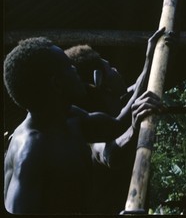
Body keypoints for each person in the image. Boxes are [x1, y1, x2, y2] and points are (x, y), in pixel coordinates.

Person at [3, 36, 162, 214]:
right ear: (57, 84)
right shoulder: (31, 151)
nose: (75, 70)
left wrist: (151, 61)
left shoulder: (70, 116)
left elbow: (115, 126)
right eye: (69, 67)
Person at [63, 28, 166, 214]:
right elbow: (109, 153)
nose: (116, 70)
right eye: (110, 68)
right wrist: (134, 129)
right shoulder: (89, 123)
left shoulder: (111, 106)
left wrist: (153, 55)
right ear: (99, 79)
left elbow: (137, 89)